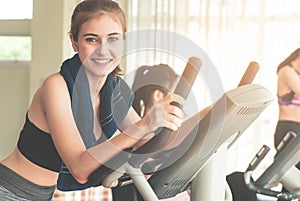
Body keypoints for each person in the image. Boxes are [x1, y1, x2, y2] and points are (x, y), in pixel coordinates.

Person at [0, 1, 183, 200]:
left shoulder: (114, 91)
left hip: (42, 196)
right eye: (92, 39)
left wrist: (187, 120)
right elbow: (79, 168)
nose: (103, 50)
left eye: (113, 39)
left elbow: (148, 144)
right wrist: (145, 123)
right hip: (9, 191)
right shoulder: (56, 86)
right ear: (74, 42)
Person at [274, 47, 300, 201]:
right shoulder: (287, 71)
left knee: (296, 181)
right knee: (288, 178)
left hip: (297, 129)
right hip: (288, 129)